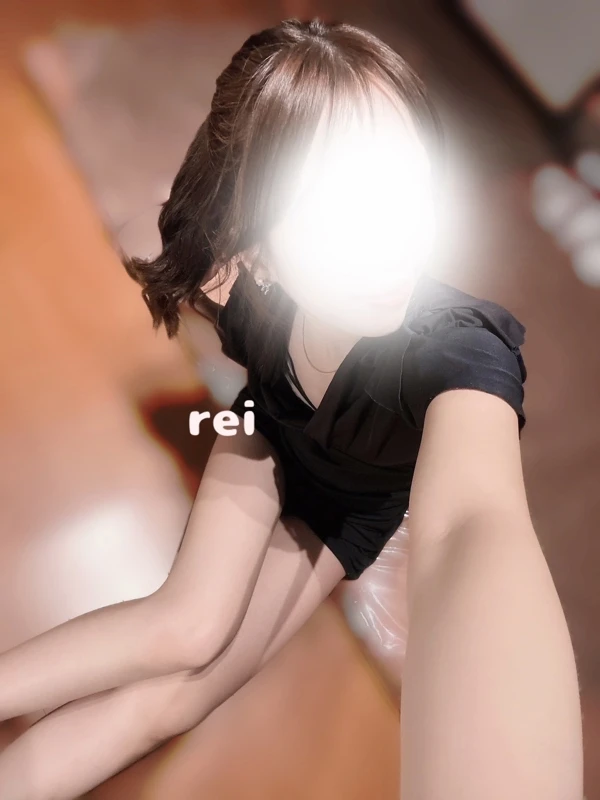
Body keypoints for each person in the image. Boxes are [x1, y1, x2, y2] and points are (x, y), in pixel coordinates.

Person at [0, 18, 583, 800]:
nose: (388, 244)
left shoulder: (462, 351)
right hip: (264, 430)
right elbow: (165, 240)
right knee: (184, 626)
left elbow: (470, 526)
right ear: (259, 249)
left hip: (344, 512)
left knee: (173, 700)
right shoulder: (244, 290)